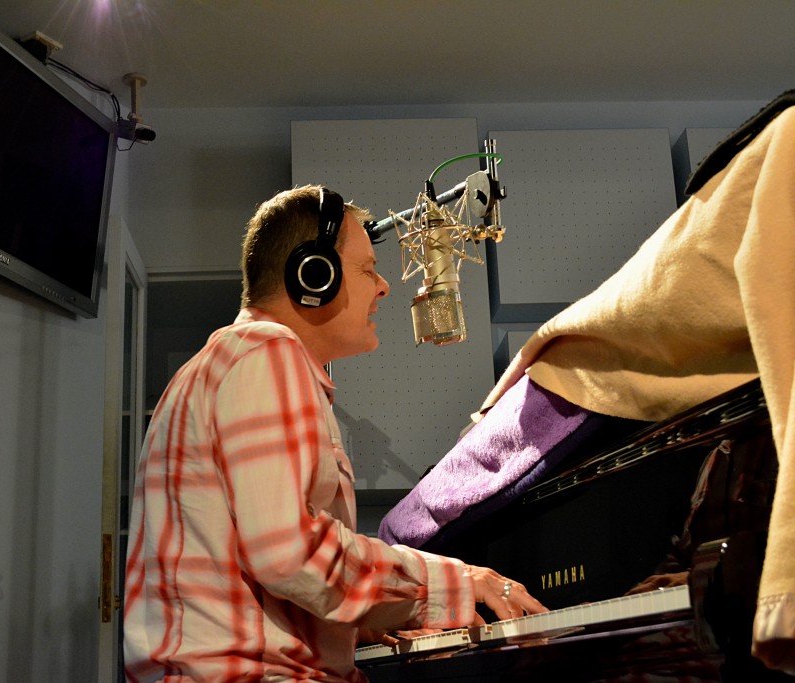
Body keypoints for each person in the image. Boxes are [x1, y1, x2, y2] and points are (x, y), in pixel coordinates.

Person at [122, 185, 546, 682]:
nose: (384, 287)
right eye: (367, 269)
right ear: (313, 275)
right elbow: (288, 553)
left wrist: (357, 623)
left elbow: (256, 569)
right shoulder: (267, 353)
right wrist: (455, 583)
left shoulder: (227, 362)